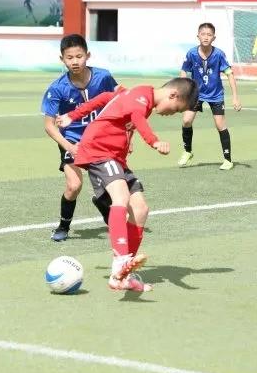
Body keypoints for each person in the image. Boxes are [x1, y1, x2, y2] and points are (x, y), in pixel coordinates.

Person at [58, 78, 199, 292]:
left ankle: (122, 275)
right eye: (177, 109)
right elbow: (137, 118)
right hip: (99, 151)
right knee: (121, 198)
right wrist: (154, 141)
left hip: (115, 158)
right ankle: (121, 260)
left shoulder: (137, 95)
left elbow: (106, 98)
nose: (173, 114)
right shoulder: (142, 98)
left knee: (140, 209)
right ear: (173, 95)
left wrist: (73, 116)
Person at [40, 34, 119, 242]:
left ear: (88, 55)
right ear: (62, 60)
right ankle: (63, 227)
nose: (75, 61)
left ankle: (102, 204)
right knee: (74, 186)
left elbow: (119, 101)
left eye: (79, 56)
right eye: (69, 58)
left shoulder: (103, 77)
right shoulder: (57, 88)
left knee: (113, 184)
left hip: (100, 140)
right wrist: (69, 146)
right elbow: (49, 126)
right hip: (72, 141)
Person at [178, 23, 242, 170]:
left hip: (216, 94)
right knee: (186, 120)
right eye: (203, 34)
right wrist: (183, 88)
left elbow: (230, 74)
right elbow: (183, 71)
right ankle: (187, 151)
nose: (206, 37)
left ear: (214, 37)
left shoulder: (219, 54)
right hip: (196, 93)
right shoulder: (191, 53)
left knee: (220, 125)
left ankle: (228, 160)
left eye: (209, 35)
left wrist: (235, 97)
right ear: (198, 36)